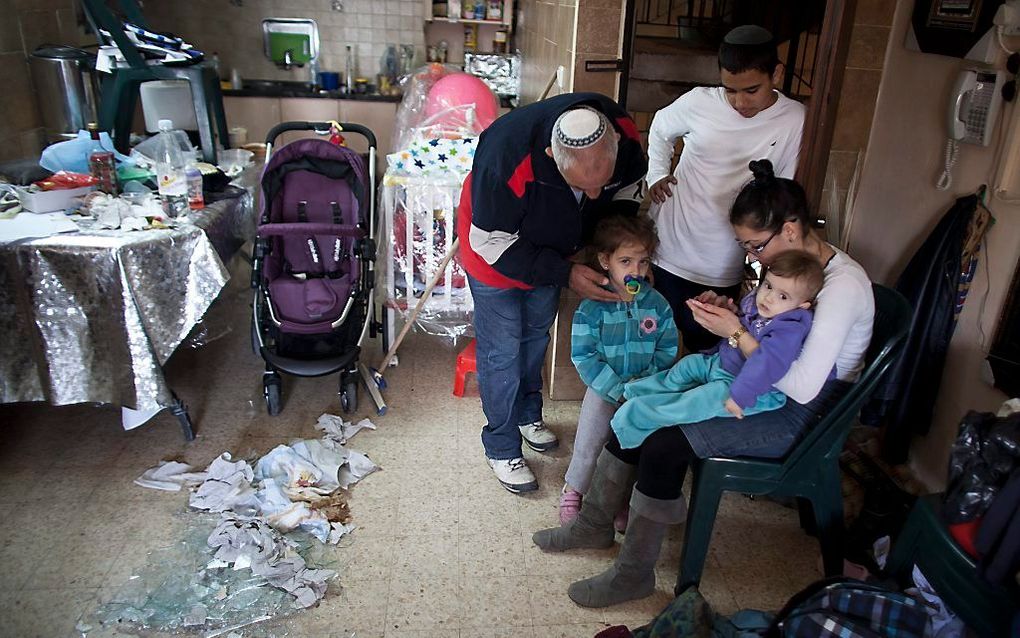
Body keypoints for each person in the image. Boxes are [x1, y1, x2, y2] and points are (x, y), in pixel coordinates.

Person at [532, 159, 875, 608]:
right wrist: (733, 311)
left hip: (801, 410)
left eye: (755, 245)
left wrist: (735, 332)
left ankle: (633, 574)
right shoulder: (790, 271)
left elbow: (803, 386)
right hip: (750, 379)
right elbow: (764, 330)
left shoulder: (840, 286)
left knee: (663, 442)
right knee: (638, 402)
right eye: (745, 246)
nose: (751, 257)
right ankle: (594, 525)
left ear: (790, 229)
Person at [457, 93, 647, 494]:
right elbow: (490, 242)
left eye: (602, 185)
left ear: (615, 139)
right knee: (502, 349)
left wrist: (608, 256)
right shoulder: (505, 157)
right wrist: (565, 273)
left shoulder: (625, 138)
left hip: (554, 248)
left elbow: (626, 197)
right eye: (583, 187)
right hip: (494, 249)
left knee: (534, 338)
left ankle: (528, 414)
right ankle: (501, 444)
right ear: (550, 156)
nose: (594, 197)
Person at [645, 25, 806, 353]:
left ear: (775, 73)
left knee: (704, 350)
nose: (739, 101)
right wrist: (656, 174)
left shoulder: (794, 119)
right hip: (669, 249)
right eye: (730, 90)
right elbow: (660, 129)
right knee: (649, 343)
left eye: (751, 90)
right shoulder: (698, 102)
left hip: (724, 265)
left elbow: (782, 191)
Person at [611, 250, 827, 450]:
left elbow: (766, 364)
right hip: (722, 364)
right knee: (688, 364)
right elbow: (746, 326)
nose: (769, 297)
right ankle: (637, 392)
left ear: (802, 306)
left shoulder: (789, 330)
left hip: (750, 388)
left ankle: (637, 418)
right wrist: (730, 312)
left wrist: (740, 395)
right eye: (769, 286)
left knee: (699, 400)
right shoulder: (765, 306)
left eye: (783, 296)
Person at [561, 214, 678, 524]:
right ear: (605, 260)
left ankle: (622, 500)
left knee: (634, 446)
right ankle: (574, 489)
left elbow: (667, 347)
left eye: (642, 261)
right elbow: (585, 357)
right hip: (604, 391)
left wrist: (647, 382)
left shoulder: (658, 305)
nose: (635, 271)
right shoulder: (591, 308)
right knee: (590, 441)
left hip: (643, 392)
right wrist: (616, 389)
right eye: (626, 261)